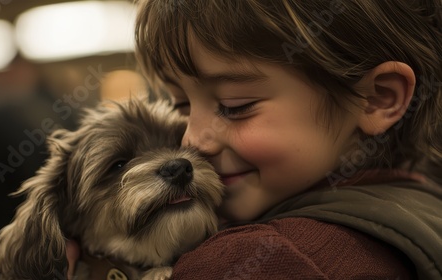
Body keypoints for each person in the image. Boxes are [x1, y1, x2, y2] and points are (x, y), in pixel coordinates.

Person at [67, 0, 442, 279]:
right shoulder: (418, 201)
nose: (192, 141)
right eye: (181, 105)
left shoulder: (253, 260)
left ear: (378, 98)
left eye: (235, 106)